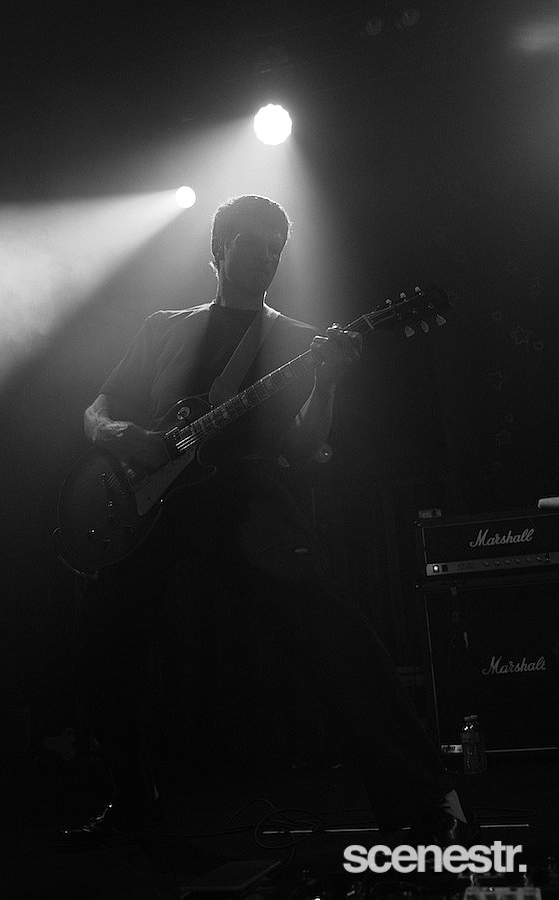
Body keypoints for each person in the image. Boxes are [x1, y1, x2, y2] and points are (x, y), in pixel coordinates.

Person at [57, 194, 476, 850]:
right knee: (101, 645)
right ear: (218, 250)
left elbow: (306, 450)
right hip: (149, 501)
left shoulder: (297, 340)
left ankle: (424, 802)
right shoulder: (164, 326)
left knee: (331, 630)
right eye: (253, 245)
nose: (267, 258)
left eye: (276, 250)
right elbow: (96, 409)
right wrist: (122, 434)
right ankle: (133, 803)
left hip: (243, 499)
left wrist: (327, 384)